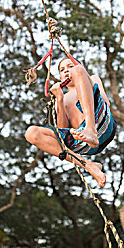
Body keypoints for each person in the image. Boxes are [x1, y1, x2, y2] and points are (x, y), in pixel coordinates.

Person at [25, 58, 117, 187]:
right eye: (62, 70)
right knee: (31, 133)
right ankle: (88, 165)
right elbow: (63, 133)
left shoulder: (93, 79)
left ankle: (90, 129)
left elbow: (105, 103)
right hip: (82, 142)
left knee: (78, 71)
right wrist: (60, 99)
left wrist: (79, 74)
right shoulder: (60, 100)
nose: (67, 71)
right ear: (60, 77)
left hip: (101, 122)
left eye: (70, 66)